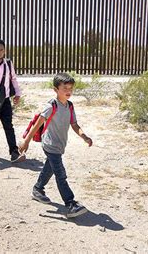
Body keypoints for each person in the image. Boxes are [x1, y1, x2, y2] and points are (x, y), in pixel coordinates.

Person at [19, 72, 93, 218]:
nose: (68, 91)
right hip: (50, 144)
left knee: (50, 168)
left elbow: (74, 124)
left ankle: (38, 189)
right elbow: (37, 124)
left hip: (60, 145)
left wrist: (84, 136)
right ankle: (70, 203)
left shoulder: (70, 106)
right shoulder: (51, 105)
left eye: (70, 88)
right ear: (55, 89)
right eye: (65, 88)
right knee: (60, 174)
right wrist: (26, 141)